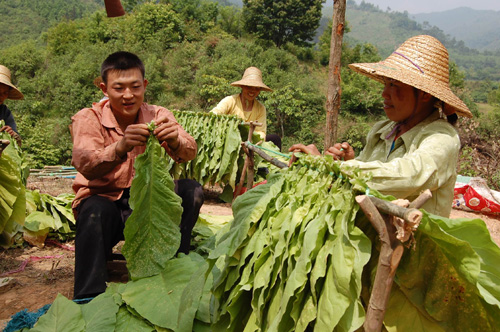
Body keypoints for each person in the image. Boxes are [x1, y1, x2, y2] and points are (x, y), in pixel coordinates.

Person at [289, 35, 472, 218]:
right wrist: (347, 162)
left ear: (424, 94)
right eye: (385, 84)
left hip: (414, 242)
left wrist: (329, 166)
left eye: (394, 85)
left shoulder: (442, 138)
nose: (385, 93)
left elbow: (407, 176)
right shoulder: (383, 131)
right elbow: (368, 175)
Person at [71, 51, 204, 300]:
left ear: (145, 85)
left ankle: (175, 264)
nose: (128, 95)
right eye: (119, 88)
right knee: (93, 210)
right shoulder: (88, 118)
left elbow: (189, 151)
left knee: (191, 190)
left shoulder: (158, 114)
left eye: (135, 86)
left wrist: (175, 140)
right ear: (104, 88)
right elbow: (84, 162)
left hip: (149, 202)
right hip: (107, 202)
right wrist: (120, 147)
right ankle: (88, 297)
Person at [210, 66, 281, 149]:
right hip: (229, 140)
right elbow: (214, 114)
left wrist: (252, 142)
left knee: (275, 139)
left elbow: (261, 132)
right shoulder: (230, 101)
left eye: (256, 88)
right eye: (249, 87)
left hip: (251, 142)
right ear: (242, 86)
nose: (252, 91)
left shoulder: (260, 108)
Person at [0, 65, 23, 146]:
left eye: (5, 93)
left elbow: (18, 141)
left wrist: (12, 134)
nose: (1, 96)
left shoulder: (5, 112)